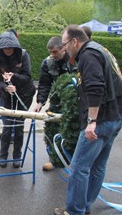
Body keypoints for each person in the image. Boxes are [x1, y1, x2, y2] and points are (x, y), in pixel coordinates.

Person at [54, 25, 122, 215]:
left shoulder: (88, 55)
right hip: (115, 117)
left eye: (64, 44)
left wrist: (92, 121)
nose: (64, 49)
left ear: (75, 41)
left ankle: (75, 211)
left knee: (79, 168)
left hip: (100, 121)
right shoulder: (100, 49)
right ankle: (84, 205)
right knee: (97, 166)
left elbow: (95, 88)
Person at [34, 36, 78, 171]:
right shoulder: (47, 63)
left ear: (63, 48)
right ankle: (55, 160)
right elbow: (44, 84)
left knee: (73, 130)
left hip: (75, 101)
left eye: (54, 52)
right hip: (57, 100)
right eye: (50, 52)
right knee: (52, 128)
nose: (52, 55)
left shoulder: (75, 60)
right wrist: (40, 102)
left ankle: (75, 161)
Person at [0, 31, 36, 168]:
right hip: (8, 95)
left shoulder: (23, 55)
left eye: (10, 47)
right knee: (7, 126)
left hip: (25, 94)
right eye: (5, 48)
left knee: (18, 126)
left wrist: (14, 77)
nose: (8, 50)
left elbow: (28, 77)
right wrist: (6, 88)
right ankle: (3, 156)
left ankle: (17, 155)